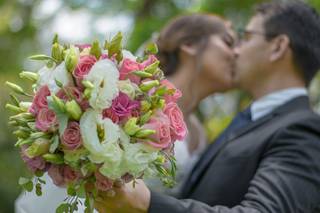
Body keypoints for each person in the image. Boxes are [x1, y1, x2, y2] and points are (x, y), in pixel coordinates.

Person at [93, 1, 320, 212]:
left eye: (247, 37)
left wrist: (149, 203)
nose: (236, 52)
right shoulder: (249, 121)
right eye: (230, 42)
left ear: (278, 46)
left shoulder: (303, 130)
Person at [147, 14, 236, 194]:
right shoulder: (141, 101)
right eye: (228, 42)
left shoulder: (198, 131)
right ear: (189, 45)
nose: (236, 54)